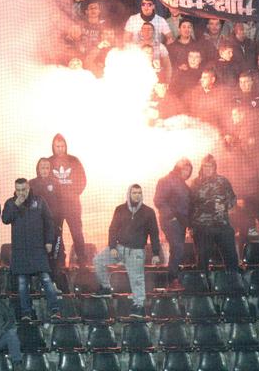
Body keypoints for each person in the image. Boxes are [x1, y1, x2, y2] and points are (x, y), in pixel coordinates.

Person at [93, 184, 161, 318]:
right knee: (98, 261)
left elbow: (154, 234)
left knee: (137, 280)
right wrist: (112, 247)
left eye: (139, 193)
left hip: (136, 252)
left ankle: (139, 307)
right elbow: (112, 229)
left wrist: (156, 253)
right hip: (119, 248)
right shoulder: (120, 209)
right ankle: (106, 288)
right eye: (134, 193)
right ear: (129, 194)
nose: (137, 195)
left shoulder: (148, 212)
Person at [2, 178, 61, 321]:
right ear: (15, 190)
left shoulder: (40, 202)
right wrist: (16, 205)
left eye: (24, 190)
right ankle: (26, 313)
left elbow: (49, 222)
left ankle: (55, 310)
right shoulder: (11, 203)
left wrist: (49, 241)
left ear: (29, 188)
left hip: (38, 249)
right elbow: (5, 219)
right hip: (20, 251)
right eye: (18, 190)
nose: (21, 193)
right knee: (22, 284)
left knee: (46, 279)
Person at [190, 154, 239, 271]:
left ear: (214, 167)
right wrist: (191, 226)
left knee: (231, 258)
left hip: (222, 225)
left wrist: (225, 206)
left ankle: (232, 284)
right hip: (202, 226)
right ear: (202, 167)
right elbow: (190, 204)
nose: (207, 169)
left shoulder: (223, 181)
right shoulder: (195, 183)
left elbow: (233, 199)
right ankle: (204, 286)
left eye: (210, 166)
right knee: (202, 260)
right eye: (205, 166)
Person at [47, 134, 87, 268]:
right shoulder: (48, 162)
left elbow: (82, 180)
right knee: (56, 234)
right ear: (53, 147)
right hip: (55, 207)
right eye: (57, 146)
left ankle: (82, 261)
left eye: (62, 146)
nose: (60, 149)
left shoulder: (74, 160)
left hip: (72, 205)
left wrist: (73, 193)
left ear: (66, 146)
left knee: (77, 232)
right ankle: (58, 262)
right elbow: (43, 180)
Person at [154, 158, 192, 289]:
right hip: (171, 221)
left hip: (181, 222)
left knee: (177, 249)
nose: (187, 172)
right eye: (185, 169)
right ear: (178, 168)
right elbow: (159, 200)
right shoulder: (166, 180)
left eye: (189, 170)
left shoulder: (184, 185)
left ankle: (173, 278)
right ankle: (172, 279)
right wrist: (171, 217)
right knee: (178, 248)